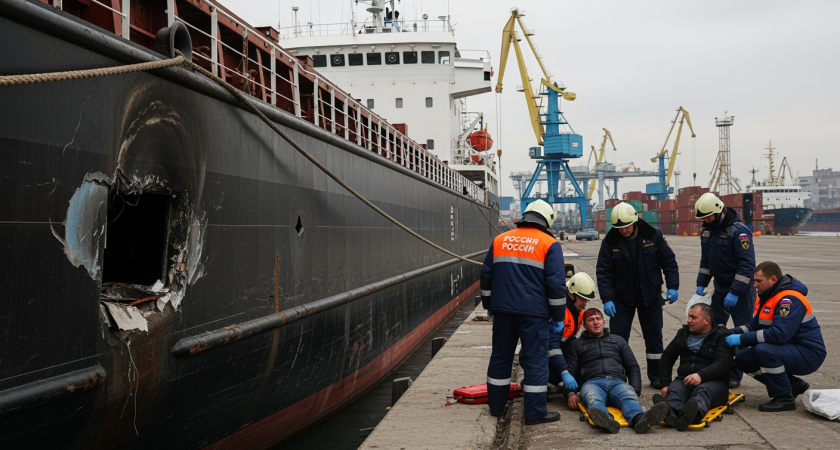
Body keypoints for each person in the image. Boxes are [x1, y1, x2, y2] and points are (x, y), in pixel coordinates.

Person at [481, 200, 566, 425]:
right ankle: (535, 413)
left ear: (525, 217)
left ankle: (496, 407)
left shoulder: (500, 239)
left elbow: (486, 276)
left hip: (502, 311)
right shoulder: (550, 243)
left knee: (500, 358)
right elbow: (556, 285)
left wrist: (488, 305)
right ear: (546, 221)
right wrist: (558, 317)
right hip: (534, 315)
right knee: (536, 361)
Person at [596, 202, 680, 389]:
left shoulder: (653, 236)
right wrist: (607, 298)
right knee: (617, 339)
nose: (623, 231)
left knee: (654, 338)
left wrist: (673, 286)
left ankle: (656, 375)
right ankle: (617, 375)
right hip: (621, 299)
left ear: (634, 222)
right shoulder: (610, 242)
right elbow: (603, 272)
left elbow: (669, 262)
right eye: (619, 228)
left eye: (626, 226)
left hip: (649, 296)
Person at [726, 261, 826, 412]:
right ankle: (792, 385)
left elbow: (779, 335)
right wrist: (732, 332)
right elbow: (754, 325)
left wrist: (740, 339)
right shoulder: (768, 296)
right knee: (743, 359)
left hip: (808, 353)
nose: (755, 285)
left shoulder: (789, 300)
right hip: (791, 349)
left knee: (763, 350)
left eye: (759, 281)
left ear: (773, 279)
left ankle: (784, 398)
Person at [564, 309, 670, 434]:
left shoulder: (618, 340)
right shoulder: (576, 345)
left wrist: (635, 391)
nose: (595, 322)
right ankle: (606, 420)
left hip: (617, 382)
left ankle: (640, 419)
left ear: (604, 322)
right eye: (590, 320)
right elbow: (569, 371)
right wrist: (570, 393)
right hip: (592, 382)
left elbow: (632, 367)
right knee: (594, 399)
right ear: (584, 325)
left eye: (598, 319)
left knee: (629, 397)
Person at [694, 192, 755, 388]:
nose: (704, 220)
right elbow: (706, 261)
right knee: (715, 332)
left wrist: (735, 292)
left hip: (741, 293)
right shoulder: (707, 231)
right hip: (720, 290)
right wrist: (701, 283)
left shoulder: (739, 232)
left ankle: (735, 375)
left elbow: (747, 266)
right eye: (702, 218)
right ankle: (718, 370)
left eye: (707, 217)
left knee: (741, 335)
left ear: (719, 212)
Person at [655, 303, 733, 431]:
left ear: (707, 320)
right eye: (688, 316)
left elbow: (723, 363)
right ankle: (671, 414)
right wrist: (665, 384)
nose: (688, 320)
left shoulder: (721, 336)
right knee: (675, 390)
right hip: (685, 379)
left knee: (702, 392)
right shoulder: (683, 333)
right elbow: (667, 358)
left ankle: (693, 416)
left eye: (693, 317)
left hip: (714, 383)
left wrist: (701, 375)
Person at [547, 272, 593, 394]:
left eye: (586, 299)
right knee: (558, 373)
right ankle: (537, 384)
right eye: (582, 298)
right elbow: (552, 346)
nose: (585, 303)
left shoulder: (577, 311)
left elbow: (571, 338)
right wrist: (564, 372)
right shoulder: (559, 311)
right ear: (571, 294)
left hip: (558, 348)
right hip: (539, 352)